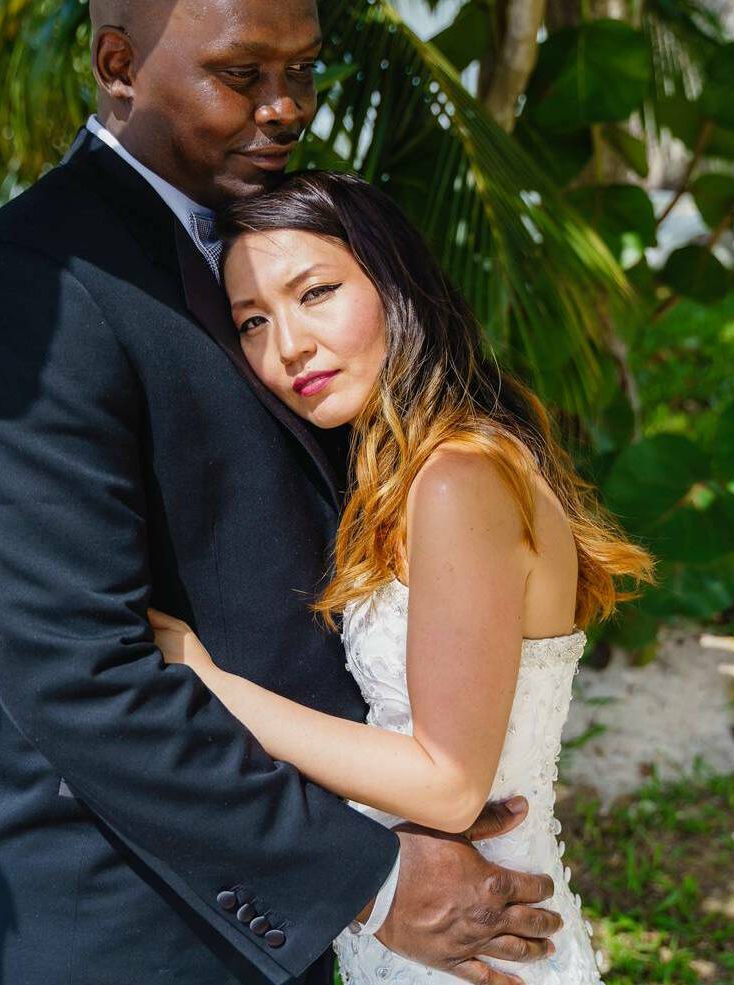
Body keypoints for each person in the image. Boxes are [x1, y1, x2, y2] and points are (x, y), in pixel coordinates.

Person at [0, 1, 565, 983]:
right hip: (134, 927)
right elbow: (78, 672)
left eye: (305, 70)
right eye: (242, 75)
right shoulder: (23, 291)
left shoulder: (281, 238)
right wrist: (368, 880)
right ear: (118, 66)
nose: (287, 105)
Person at [148, 171, 657, 984]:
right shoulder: (414, 476)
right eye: (253, 321)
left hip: (475, 945)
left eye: (315, 292)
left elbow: (449, 784)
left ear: (395, 283)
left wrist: (211, 685)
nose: (289, 346)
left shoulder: (459, 478)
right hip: (434, 932)